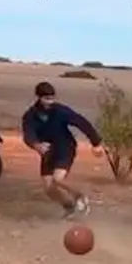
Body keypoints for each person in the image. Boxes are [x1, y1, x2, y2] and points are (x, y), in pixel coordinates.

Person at [21, 81, 105, 219]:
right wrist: (36, 145)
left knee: (58, 179)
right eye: (46, 98)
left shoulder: (61, 111)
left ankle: (80, 195)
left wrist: (96, 143)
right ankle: (69, 206)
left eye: (52, 98)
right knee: (49, 188)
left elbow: (81, 122)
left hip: (65, 148)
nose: (50, 101)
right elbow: (28, 134)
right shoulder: (30, 115)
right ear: (38, 97)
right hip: (48, 153)